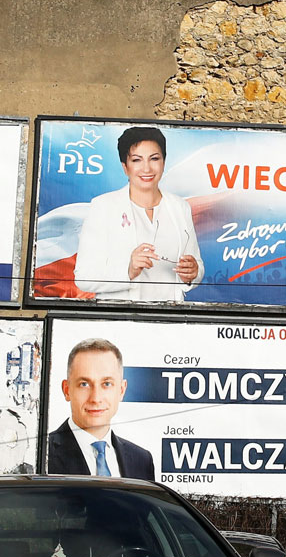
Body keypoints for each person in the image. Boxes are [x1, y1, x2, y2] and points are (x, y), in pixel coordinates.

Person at [71, 126, 203, 302]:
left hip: (169, 319)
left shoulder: (180, 207)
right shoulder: (103, 207)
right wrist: (128, 270)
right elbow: (83, 277)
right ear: (125, 167)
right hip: (119, 321)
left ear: (163, 162)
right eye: (137, 160)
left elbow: (197, 267)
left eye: (154, 158)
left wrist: (192, 274)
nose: (146, 168)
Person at [46, 338, 155, 479]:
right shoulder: (42, 454)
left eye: (107, 384)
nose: (96, 398)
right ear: (67, 390)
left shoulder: (141, 460)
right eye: (84, 384)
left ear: (122, 390)